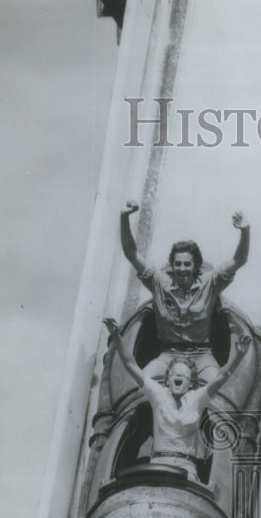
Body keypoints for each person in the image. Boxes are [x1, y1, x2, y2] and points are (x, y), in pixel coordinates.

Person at [104, 317, 251, 482]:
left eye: (184, 375)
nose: (179, 377)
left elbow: (221, 376)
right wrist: (116, 336)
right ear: (168, 380)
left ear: (190, 383)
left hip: (186, 468)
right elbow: (131, 365)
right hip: (158, 463)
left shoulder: (197, 398)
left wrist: (238, 355)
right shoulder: (158, 394)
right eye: (175, 374)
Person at [120, 200, 250, 384]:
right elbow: (131, 254)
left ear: (195, 265)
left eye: (187, 264)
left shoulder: (210, 282)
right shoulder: (159, 282)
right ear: (172, 265)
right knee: (142, 384)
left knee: (217, 388)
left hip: (201, 355)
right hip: (168, 354)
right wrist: (124, 217)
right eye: (178, 264)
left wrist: (245, 231)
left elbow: (239, 260)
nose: (182, 268)